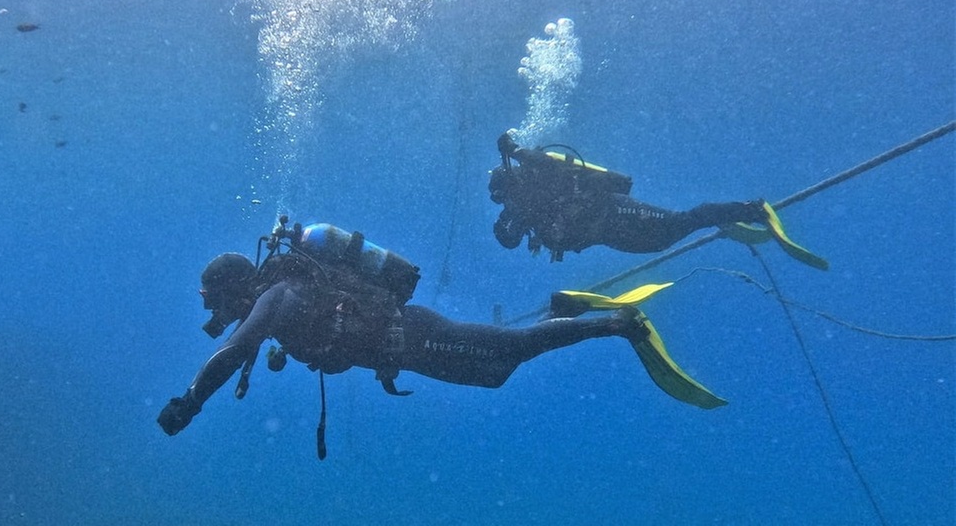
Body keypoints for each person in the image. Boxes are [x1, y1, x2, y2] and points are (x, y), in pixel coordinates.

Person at [158, 220, 724, 446]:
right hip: (404, 347)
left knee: (505, 353)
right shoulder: (282, 294)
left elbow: (234, 351)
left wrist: (190, 402)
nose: (219, 313)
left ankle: (618, 324)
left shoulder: (277, 296)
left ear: (237, 288)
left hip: (412, 336)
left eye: (217, 300)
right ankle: (561, 308)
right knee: (495, 374)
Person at [488, 130, 828, 269]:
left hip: (612, 211)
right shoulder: (522, 211)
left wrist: (517, 150)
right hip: (609, 234)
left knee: (678, 224)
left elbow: (547, 164)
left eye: (505, 192)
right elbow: (507, 239)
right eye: (501, 198)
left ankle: (751, 209)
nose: (506, 200)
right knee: (663, 243)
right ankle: (723, 218)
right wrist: (510, 218)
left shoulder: (540, 177)